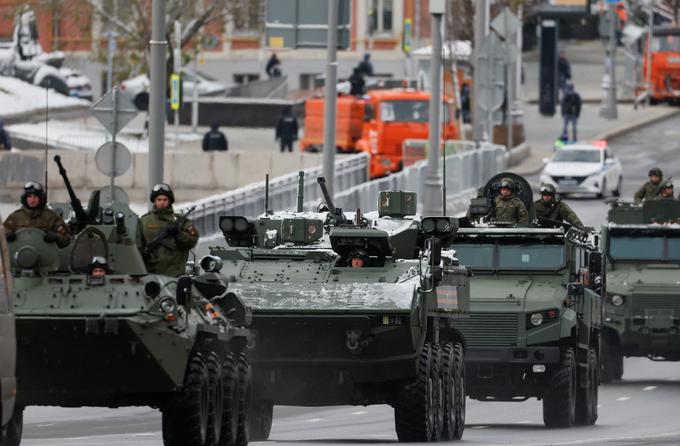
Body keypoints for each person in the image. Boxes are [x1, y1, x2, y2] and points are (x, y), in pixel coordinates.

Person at [140, 183, 199, 277]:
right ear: (154, 201)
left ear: (169, 201)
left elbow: (192, 241)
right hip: (150, 273)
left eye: (165, 199)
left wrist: (178, 233)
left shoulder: (181, 221)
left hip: (175, 274)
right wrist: (142, 253)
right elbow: (135, 244)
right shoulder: (144, 221)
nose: (162, 202)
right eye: (159, 199)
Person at [3, 181, 70, 247]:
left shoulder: (51, 217)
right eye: (29, 196)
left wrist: (56, 237)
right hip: (20, 255)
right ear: (25, 198)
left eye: (35, 197)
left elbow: (66, 238)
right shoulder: (16, 216)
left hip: (45, 256)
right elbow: (3, 230)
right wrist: (7, 234)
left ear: (41, 198)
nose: (32, 200)